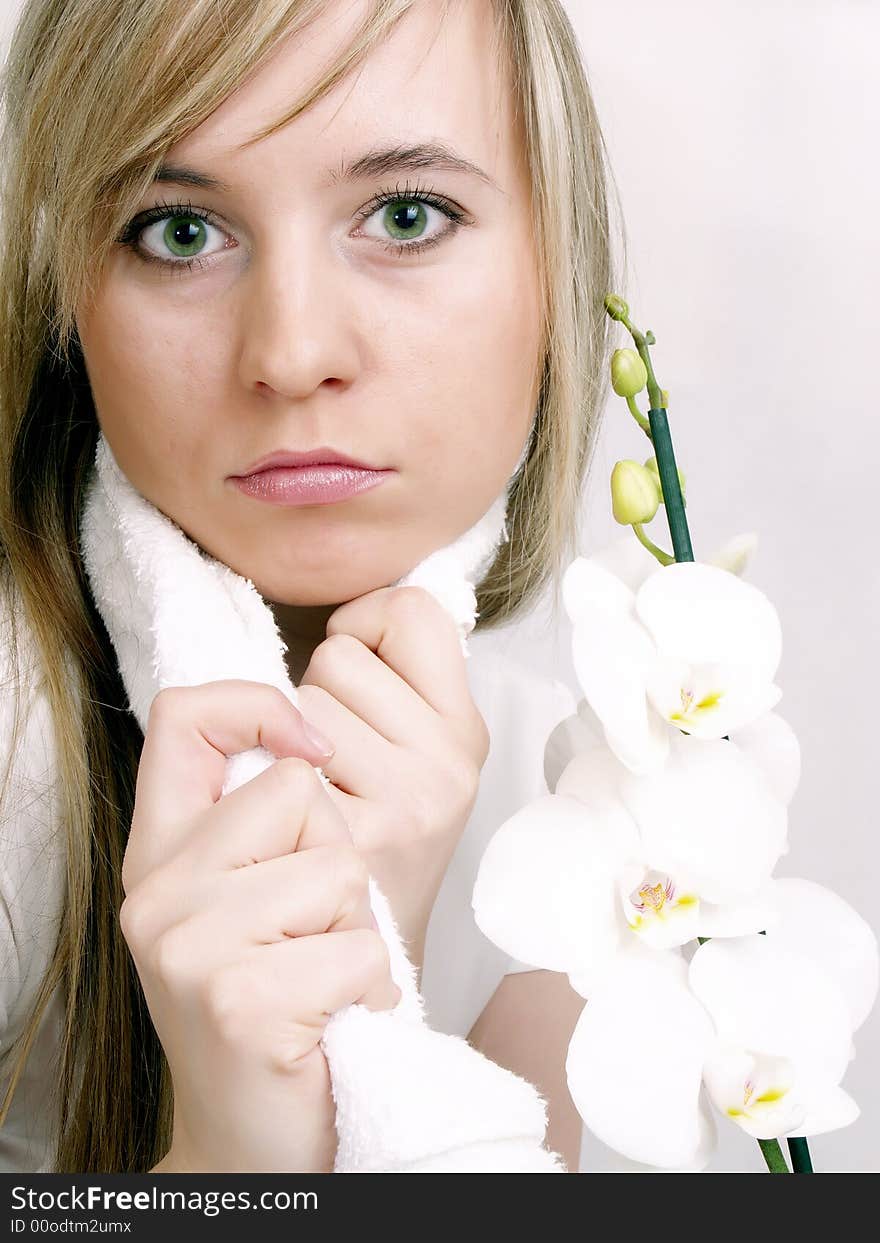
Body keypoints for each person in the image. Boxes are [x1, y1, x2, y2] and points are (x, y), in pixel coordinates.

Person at [0, 0, 623, 1173]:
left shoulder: (603, 801)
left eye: (404, 215)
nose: (288, 353)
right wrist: (230, 1155)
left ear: (558, 258)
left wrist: (374, 961)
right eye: (179, 232)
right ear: (68, 301)